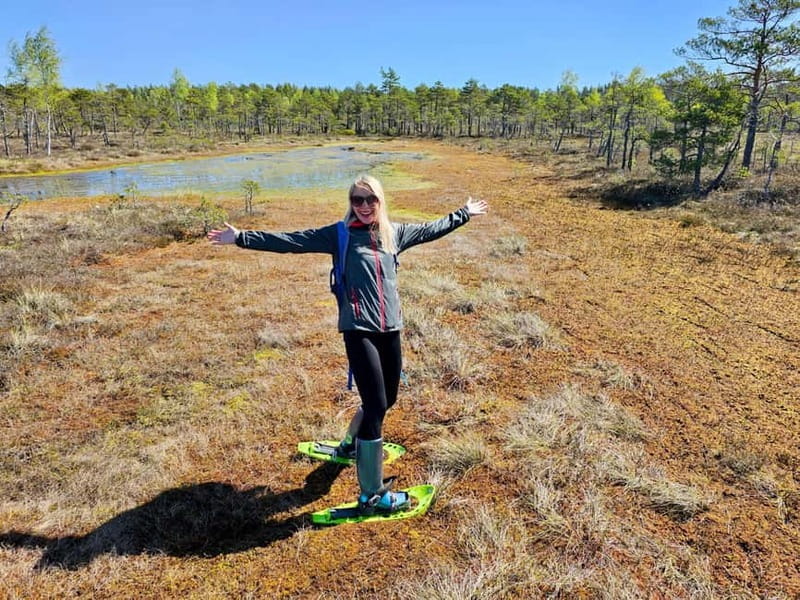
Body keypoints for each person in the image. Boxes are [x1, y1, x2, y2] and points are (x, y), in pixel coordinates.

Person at [208, 174, 488, 514]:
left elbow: (432, 228)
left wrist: (464, 213)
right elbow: (291, 241)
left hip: (391, 327)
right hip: (358, 329)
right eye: (358, 200)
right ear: (350, 202)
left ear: (380, 202)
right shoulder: (339, 235)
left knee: (387, 400)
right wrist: (240, 238)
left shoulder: (394, 234)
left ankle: (350, 445)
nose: (365, 206)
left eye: (371, 200)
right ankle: (372, 495)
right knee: (374, 406)